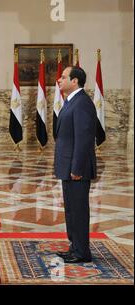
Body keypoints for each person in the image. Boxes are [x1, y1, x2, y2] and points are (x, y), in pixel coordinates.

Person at [54, 66, 97, 264]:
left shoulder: (82, 104)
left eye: (63, 77)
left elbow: (84, 139)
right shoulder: (72, 101)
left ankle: (82, 252)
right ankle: (75, 247)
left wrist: (77, 169)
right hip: (68, 166)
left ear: (75, 81)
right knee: (71, 209)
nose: (59, 80)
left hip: (76, 168)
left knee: (79, 210)